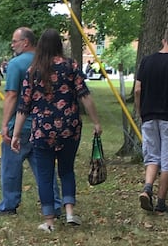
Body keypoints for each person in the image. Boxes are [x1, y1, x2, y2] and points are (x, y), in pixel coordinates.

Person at [11, 29, 102, 232]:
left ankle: (49, 221)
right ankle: (69, 212)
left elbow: (24, 106)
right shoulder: (71, 66)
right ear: (59, 45)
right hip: (70, 128)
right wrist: (96, 121)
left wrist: (16, 134)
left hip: (42, 130)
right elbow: (84, 95)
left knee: (45, 175)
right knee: (67, 169)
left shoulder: (33, 71)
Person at [133, 25, 168, 214]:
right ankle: (161, 203)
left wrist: (141, 111)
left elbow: (138, 90)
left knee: (152, 156)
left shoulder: (146, 61)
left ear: (163, 40)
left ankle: (147, 188)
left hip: (149, 115)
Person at [0, 26, 42, 218]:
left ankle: (9, 205)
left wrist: (5, 125)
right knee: (43, 168)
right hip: (43, 125)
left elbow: (11, 95)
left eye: (14, 41)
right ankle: (54, 202)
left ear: (25, 42)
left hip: (20, 125)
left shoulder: (16, 64)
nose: (12, 45)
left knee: (11, 166)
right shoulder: (46, 62)